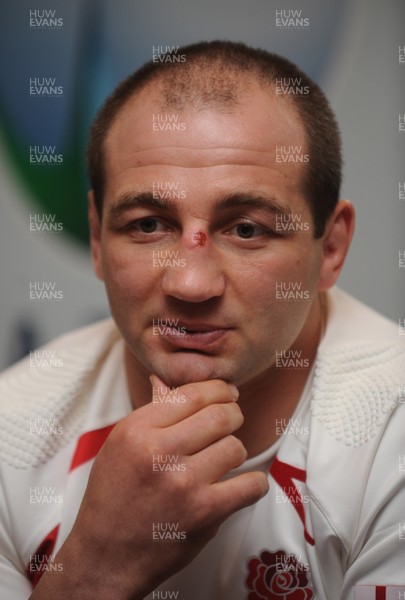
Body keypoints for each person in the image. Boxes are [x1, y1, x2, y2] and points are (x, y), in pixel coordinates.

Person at [0, 41, 404, 600]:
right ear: (96, 238)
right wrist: (95, 566)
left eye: (246, 229)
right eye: (147, 225)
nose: (190, 284)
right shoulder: (9, 436)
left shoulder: (393, 435)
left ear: (330, 248)